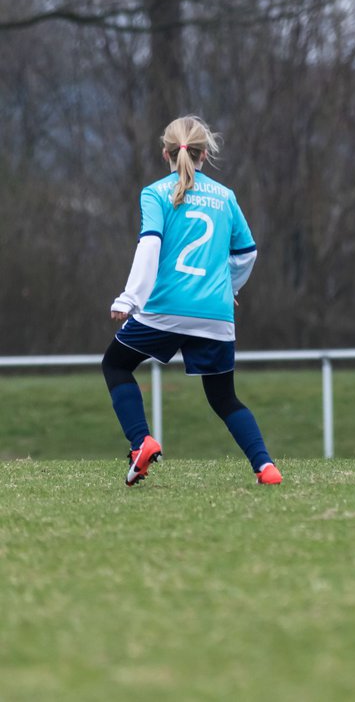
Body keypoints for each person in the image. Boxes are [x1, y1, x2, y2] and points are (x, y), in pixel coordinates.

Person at [103, 116, 281, 486]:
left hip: (164, 309)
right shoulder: (226, 196)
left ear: (166, 152)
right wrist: (228, 288)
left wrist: (131, 297)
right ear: (204, 154)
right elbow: (247, 254)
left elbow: (149, 245)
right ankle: (265, 467)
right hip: (215, 314)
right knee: (224, 397)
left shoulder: (155, 192)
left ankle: (141, 443)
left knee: (116, 365)